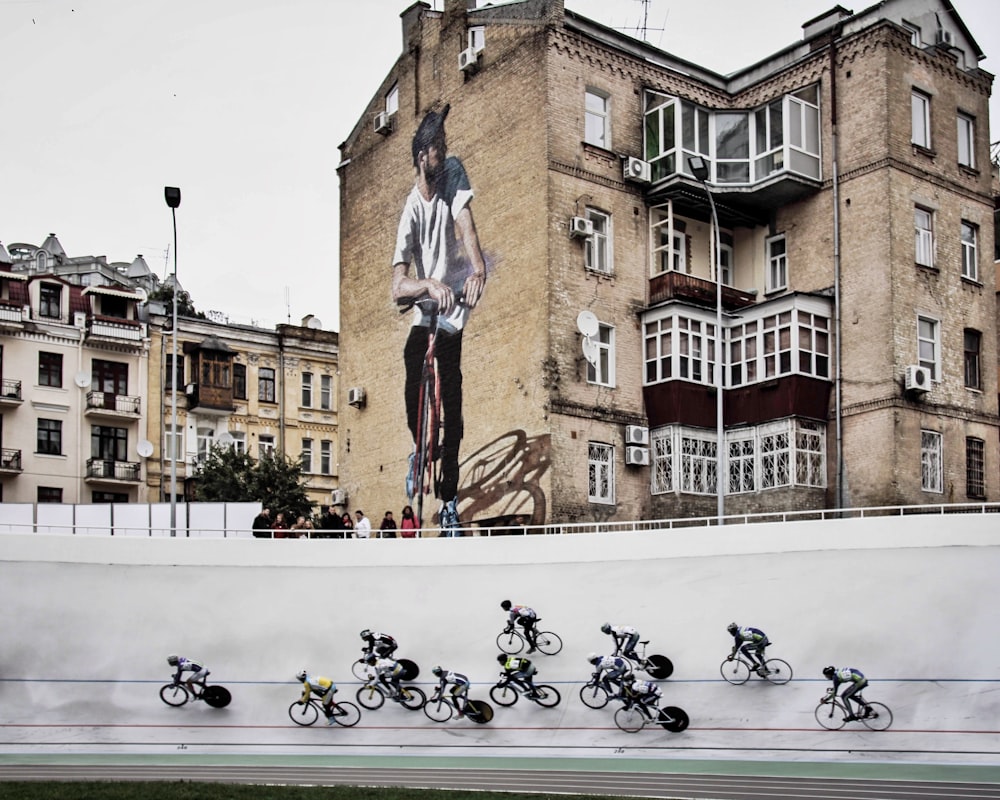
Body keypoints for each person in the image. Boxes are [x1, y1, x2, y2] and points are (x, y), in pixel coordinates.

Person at [391, 102, 488, 533]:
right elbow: (397, 286)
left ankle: (448, 502)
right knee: (414, 372)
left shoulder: (452, 173)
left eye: (444, 147)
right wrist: (427, 284)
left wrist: (478, 269)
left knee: (454, 407)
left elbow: (465, 224)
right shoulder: (410, 211)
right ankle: (419, 447)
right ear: (420, 157)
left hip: (454, 315)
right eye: (436, 149)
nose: (442, 154)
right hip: (426, 308)